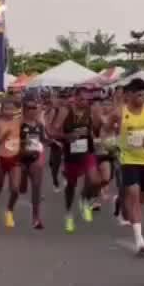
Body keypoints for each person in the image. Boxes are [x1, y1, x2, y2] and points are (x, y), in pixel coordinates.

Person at [117, 78, 144, 255]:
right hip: (128, 159)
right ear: (129, 95)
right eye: (138, 94)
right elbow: (106, 129)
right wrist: (108, 140)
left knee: (142, 199)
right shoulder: (120, 112)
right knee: (133, 194)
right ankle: (139, 239)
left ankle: (121, 200)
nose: (142, 98)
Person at [56, 89, 97, 232]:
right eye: (82, 99)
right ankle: (68, 214)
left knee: (93, 180)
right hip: (71, 154)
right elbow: (54, 131)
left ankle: (84, 199)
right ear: (75, 99)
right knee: (71, 186)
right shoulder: (66, 112)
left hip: (87, 151)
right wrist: (69, 136)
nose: (85, 102)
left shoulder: (90, 112)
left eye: (87, 100)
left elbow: (94, 129)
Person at [0, 98, 23, 229]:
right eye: (6, 109)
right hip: (0, 159)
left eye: (12, 109)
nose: (9, 111)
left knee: (15, 189)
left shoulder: (18, 122)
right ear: (2, 110)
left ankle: (9, 211)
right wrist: (2, 138)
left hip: (15, 159)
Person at [18, 97, 50, 229]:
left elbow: (43, 139)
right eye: (29, 108)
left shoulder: (39, 125)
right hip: (20, 159)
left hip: (35, 157)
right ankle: (23, 178)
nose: (33, 110)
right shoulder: (18, 124)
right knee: (21, 188)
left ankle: (36, 217)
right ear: (24, 109)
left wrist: (52, 142)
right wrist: (22, 145)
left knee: (36, 187)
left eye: (34, 107)